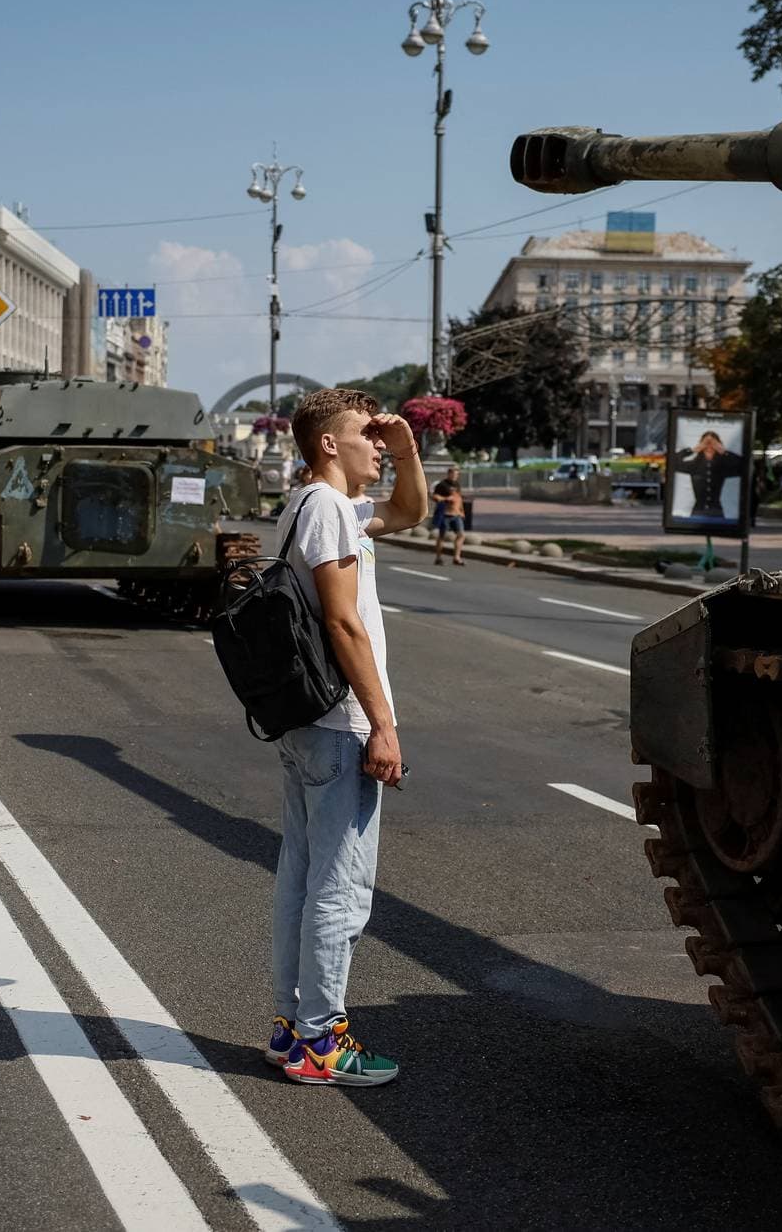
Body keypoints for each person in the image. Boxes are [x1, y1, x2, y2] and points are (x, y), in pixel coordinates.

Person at [264, 387, 426, 1088]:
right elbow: (342, 623)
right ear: (328, 443)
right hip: (339, 724)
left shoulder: (309, 504)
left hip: (306, 722)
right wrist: (382, 724)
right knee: (341, 889)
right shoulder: (328, 509)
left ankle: (291, 1027)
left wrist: (409, 448)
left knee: (300, 880)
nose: (378, 446)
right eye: (367, 435)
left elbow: (410, 511)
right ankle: (322, 1043)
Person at [673, 429, 745, 522]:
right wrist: (693, 449)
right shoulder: (693, 466)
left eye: (713, 444)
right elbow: (673, 462)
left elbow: (743, 465)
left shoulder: (723, 466)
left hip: (716, 510)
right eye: (706, 443)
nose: (710, 446)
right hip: (698, 510)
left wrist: (723, 451)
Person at [429, 465, 466, 566]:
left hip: (456, 514)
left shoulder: (457, 485)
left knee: (461, 535)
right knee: (442, 536)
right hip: (445, 514)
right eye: (453, 474)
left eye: (457, 474)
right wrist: (446, 499)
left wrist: (462, 511)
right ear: (449, 474)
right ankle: (438, 557)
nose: (455, 476)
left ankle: (457, 557)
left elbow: (458, 498)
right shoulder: (442, 485)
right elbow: (435, 496)